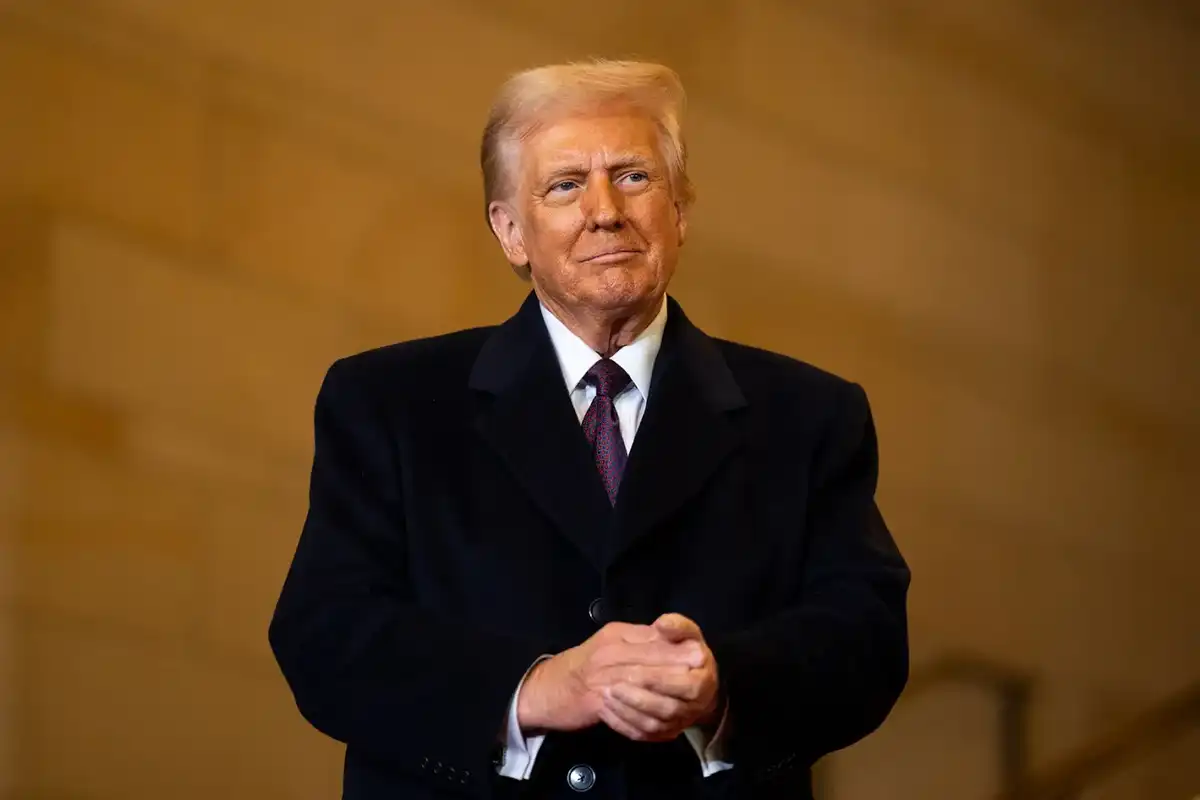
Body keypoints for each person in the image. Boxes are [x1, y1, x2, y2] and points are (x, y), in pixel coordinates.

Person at [269, 59, 910, 800]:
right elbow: (326, 632)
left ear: (681, 210)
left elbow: (865, 638)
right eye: (565, 185)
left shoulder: (810, 416)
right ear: (512, 233)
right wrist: (534, 688)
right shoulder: (389, 401)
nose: (604, 210)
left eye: (633, 176)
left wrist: (720, 687)